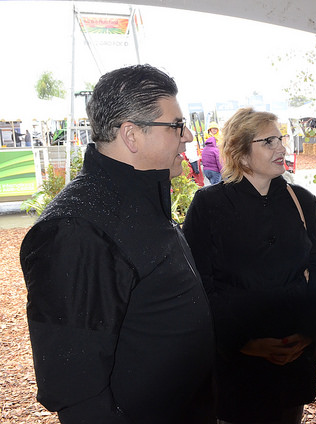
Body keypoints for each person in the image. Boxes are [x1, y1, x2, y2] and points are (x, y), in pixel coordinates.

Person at [19, 64, 216, 423]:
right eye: (176, 125)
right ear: (131, 135)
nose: (187, 136)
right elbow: (78, 395)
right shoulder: (76, 229)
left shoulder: (140, 200)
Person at [182, 107, 316, 424]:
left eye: (281, 139)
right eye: (269, 141)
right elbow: (198, 285)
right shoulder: (208, 206)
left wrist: (308, 331)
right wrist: (241, 343)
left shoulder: (302, 200)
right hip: (236, 366)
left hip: (292, 361)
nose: (281, 148)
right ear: (241, 153)